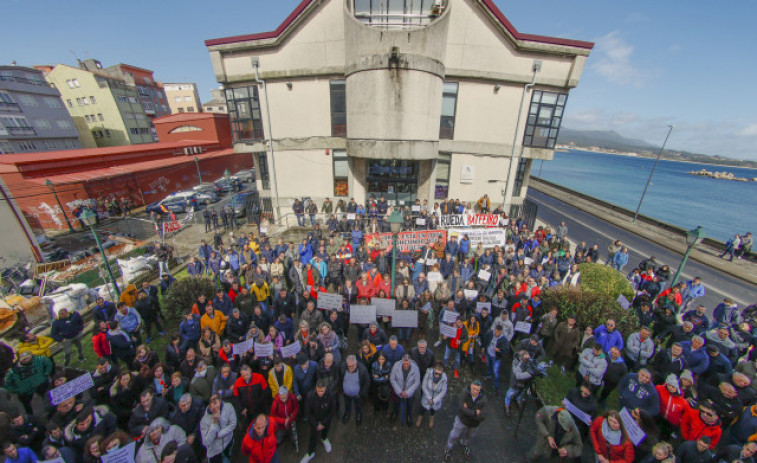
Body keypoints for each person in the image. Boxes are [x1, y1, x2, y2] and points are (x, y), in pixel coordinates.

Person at [444, 379, 487, 461]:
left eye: (478, 390)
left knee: (469, 436)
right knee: (454, 435)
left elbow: (483, 416)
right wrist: (475, 413)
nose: (475, 391)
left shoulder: (483, 399)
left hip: (474, 424)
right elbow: (462, 408)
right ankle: (449, 447)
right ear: (471, 386)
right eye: (474, 389)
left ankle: (464, 444)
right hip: (462, 420)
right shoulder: (465, 393)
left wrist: (469, 412)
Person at [300, 380, 335, 463]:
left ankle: (324, 438)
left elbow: (332, 411)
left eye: (322, 391)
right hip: (314, 421)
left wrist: (323, 423)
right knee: (312, 437)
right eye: (318, 391)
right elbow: (308, 412)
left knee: (325, 431)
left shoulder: (331, 396)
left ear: (325, 389)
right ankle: (310, 453)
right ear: (316, 388)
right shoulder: (310, 396)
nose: (320, 393)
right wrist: (316, 424)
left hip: (326, 420)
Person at [200, 394, 237, 463]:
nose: (214, 407)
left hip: (228, 443)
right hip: (215, 452)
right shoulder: (204, 421)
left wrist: (219, 434)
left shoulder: (228, 407)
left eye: (215, 403)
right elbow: (206, 442)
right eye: (212, 405)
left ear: (220, 401)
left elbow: (233, 424)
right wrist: (214, 423)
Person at [390, 354, 421, 426]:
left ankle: (408, 415)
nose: (406, 365)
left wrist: (407, 392)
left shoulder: (415, 368)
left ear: (410, 361)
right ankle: (395, 412)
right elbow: (392, 379)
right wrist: (399, 391)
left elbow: (417, 382)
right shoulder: (396, 365)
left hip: (409, 392)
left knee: (410, 404)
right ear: (402, 360)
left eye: (408, 363)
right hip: (398, 391)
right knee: (396, 403)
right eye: (404, 363)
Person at [340, 355, 370, 425]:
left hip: (357, 395)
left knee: (358, 406)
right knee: (347, 405)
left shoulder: (362, 370)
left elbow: (367, 382)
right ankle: (347, 413)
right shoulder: (343, 367)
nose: (350, 368)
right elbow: (340, 378)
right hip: (346, 394)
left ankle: (358, 415)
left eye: (352, 366)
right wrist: (342, 389)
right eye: (349, 366)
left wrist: (361, 394)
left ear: (356, 363)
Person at [417, 362, 447, 428]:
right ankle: (420, 416)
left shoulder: (444, 379)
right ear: (434, 370)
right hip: (427, 397)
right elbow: (424, 386)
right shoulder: (428, 374)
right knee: (423, 408)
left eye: (440, 374)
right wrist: (429, 398)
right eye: (436, 373)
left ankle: (431, 418)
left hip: (436, 398)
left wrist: (434, 400)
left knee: (433, 410)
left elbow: (443, 391)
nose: (437, 375)